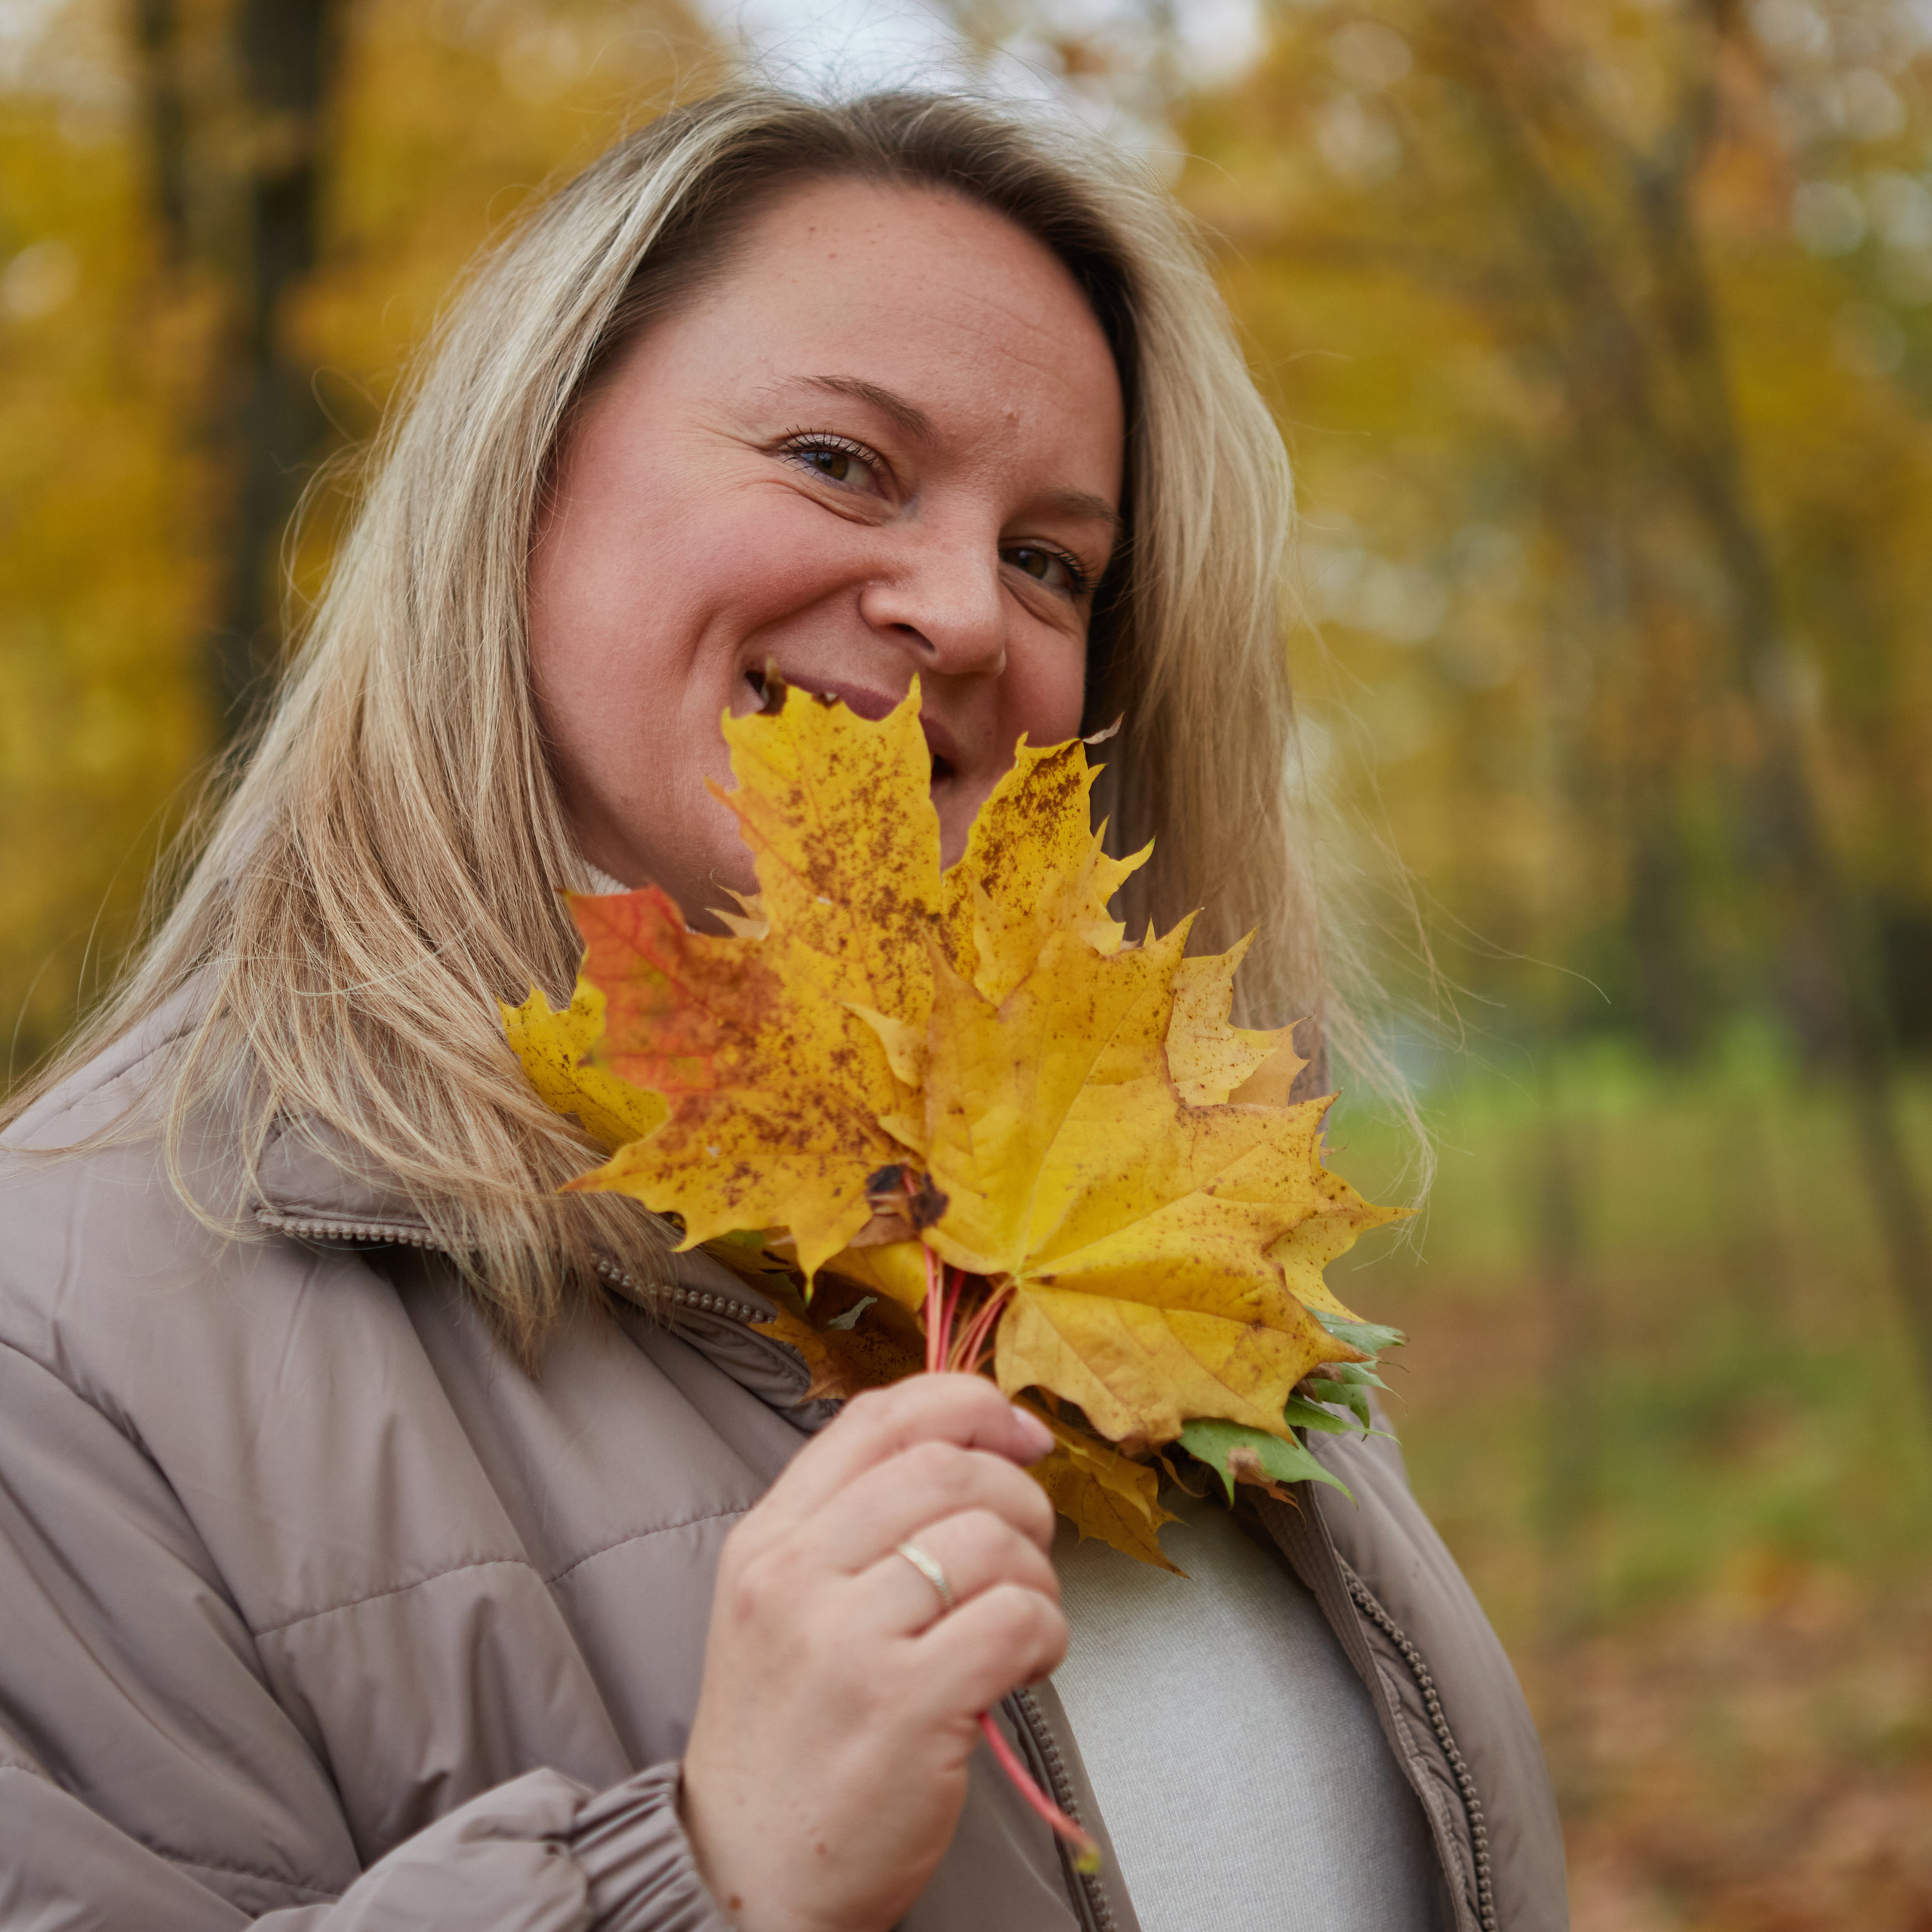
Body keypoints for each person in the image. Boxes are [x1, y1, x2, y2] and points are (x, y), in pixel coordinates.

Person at [0, 89, 1567, 1932]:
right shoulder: (65, 1334)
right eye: (839, 460)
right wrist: (704, 1869)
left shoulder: (1140, 1188)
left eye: (1050, 560)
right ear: (524, 468)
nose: (963, 611)